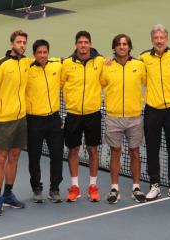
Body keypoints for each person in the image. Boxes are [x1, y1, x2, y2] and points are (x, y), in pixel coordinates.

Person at [0, 30, 30, 216]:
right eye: (19, 42)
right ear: (12, 44)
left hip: (21, 118)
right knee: (1, 158)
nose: (22, 45)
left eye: (24, 42)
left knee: (15, 156)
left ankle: (8, 194)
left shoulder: (26, 63)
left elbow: (48, 62)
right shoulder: (0, 65)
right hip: (3, 119)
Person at [139, 24, 170, 201]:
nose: (159, 41)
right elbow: (131, 71)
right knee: (152, 148)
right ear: (152, 40)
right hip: (152, 110)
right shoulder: (143, 58)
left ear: (167, 39)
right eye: (156, 38)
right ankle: (155, 185)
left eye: (162, 38)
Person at [100, 34, 147, 204]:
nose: (122, 47)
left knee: (135, 152)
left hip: (134, 117)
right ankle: (114, 188)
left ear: (129, 47)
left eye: (125, 44)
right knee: (115, 152)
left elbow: (149, 83)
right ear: (114, 47)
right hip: (113, 117)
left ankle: (136, 188)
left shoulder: (139, 65)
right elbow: (98, 83)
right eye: (119, 44)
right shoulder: (106, 66)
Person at [61, 31, 105, 202]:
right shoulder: (66, 64)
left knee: (93, 150)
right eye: (80, 42)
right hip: (73, 114)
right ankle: (75, 187)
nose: (83, 45)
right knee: (73, 150)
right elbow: (59, 83)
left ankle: (93, 186)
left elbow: (106, 79)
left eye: (86, 42)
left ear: (90, 43)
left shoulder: (100, 62)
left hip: (93, 113)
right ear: (76, 45)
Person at [26, 39, 64, 204]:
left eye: (45, 52)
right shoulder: (26, 68)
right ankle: (36, 187)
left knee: (57, 155)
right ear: (34, 54)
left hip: (54, 119)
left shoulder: (57, 65)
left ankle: (54, 188)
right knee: (34, 156)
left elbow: (73, 59)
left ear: (48, 53)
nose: (42, 55)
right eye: (39, 52)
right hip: (34, 120)